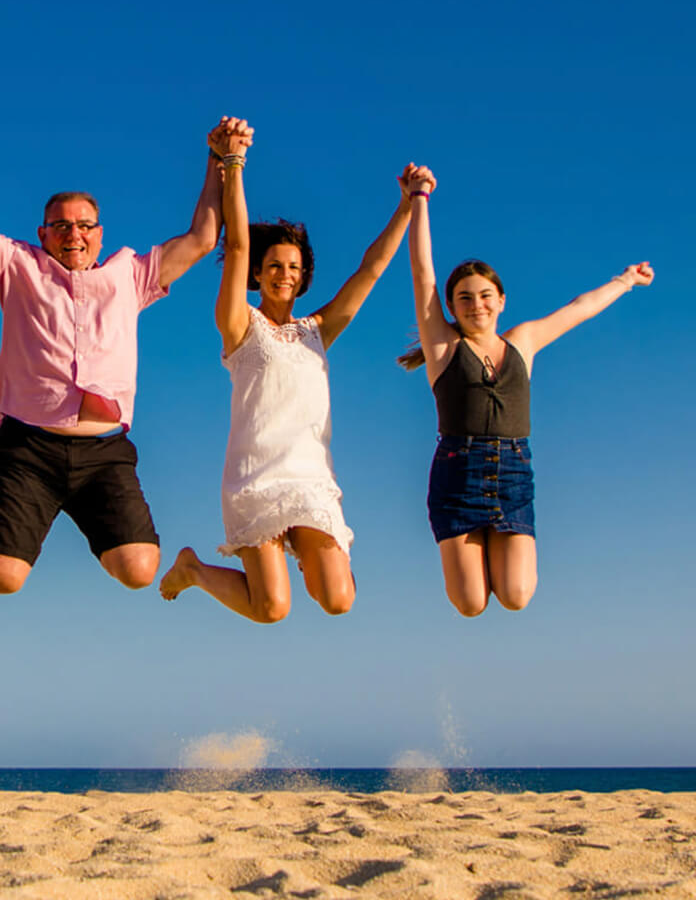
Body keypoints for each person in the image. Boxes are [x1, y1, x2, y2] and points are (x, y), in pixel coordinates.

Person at [0, 103, 223, 594]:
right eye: (62, 226)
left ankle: (6, 487)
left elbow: (202, 238)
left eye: (85, 225)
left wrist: (219, 160)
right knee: (1, 579)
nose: (74, 234)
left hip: (104, 451)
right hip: (28, 449)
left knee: (138, 570)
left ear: (100, 234)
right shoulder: (15, 266)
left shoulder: (130, 275)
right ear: (43, 233)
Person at [159, 117, 420, 622]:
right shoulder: (240, 326)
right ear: (259, 273)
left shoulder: (317, 331)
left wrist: (407, 205)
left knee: (339, 600)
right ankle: (194, 570)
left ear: (304, 279)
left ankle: (302, 552)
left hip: (310, 480)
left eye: (295, 268)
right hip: (255, 478)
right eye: (275, 266)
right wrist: (234, 165)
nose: (285, 275)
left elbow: (370, 270)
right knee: (272, 608)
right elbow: (235, 244)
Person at [397, 164, 654, 616]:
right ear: (453, 307)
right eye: (464, 297)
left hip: (513, 472)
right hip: (459, 474)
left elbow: (579, 309)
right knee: (471, 602)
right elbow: (424, 275)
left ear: (501, 300)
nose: (476, 303)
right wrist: (419, 199)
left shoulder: (523, 342)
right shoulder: (443, 347)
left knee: (516, 596)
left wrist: (626, 280)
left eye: (484, 295)